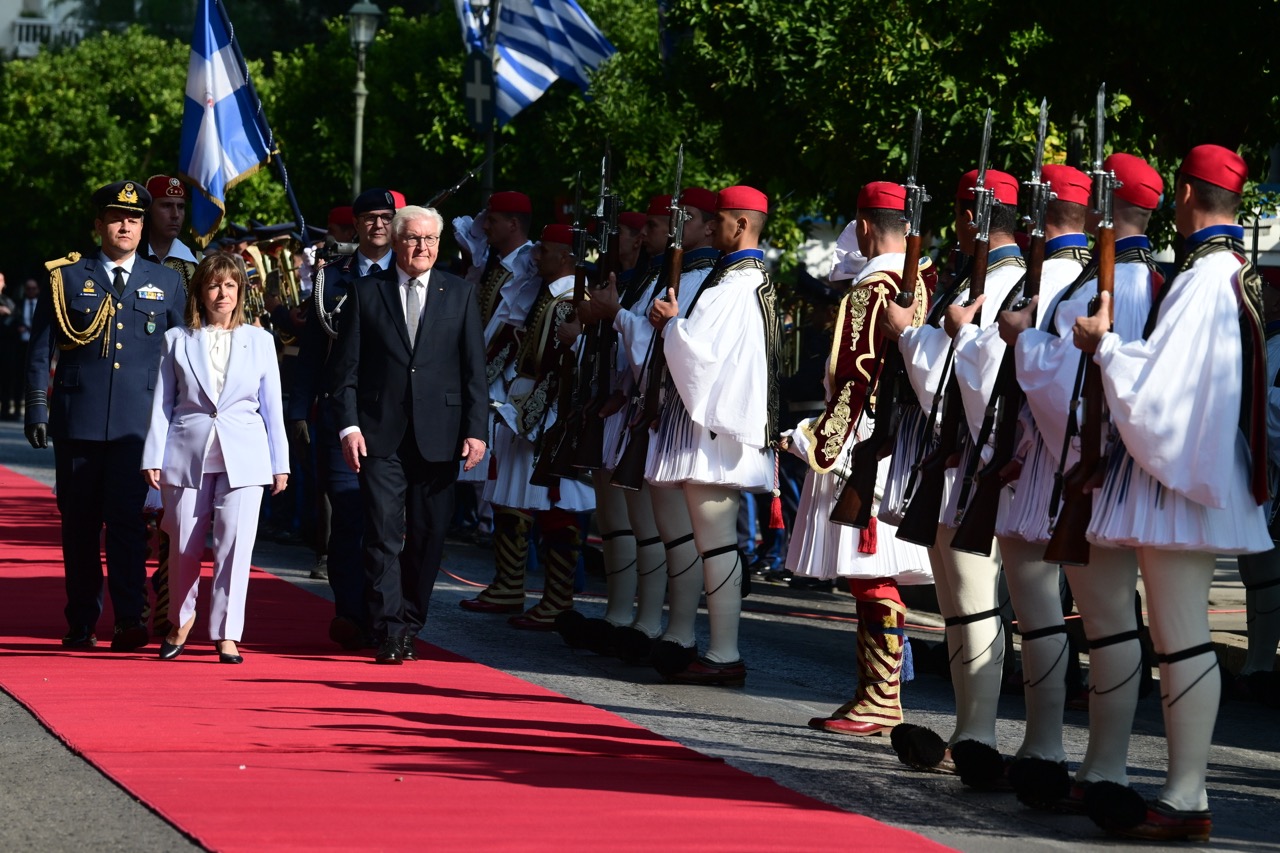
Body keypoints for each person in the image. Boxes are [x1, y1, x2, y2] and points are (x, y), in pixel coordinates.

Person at [1073, 144, 1270, 842]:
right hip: (1193, 468)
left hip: (1183, 476)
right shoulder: (1226, 270)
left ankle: (1187, 794)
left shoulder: (1205, 278)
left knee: (1181, 636)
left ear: (1185, 195)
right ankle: (1182, 790)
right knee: (1176, 634)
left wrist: (1104, 345)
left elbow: (1162, 388)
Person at [998, 152, 1160, 810]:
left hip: (1094, 463)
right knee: (1103, 619)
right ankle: (1081, 761)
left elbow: (1072, 378)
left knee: (1110, 620)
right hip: (1080, 458)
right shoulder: (1127, 276)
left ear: (1105, 206)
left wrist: (1023, 341)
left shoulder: (1124, 281)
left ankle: (1104, 768)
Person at [880, 168, 1024, 772]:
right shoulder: (983, 276)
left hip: (972, 461)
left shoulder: (1005, 281)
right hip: (951, 463)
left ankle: (978, 736)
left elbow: (963, 378)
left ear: (971, 218)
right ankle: (969, 730)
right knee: (959, 606)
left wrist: (907, 336)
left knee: (974, 601)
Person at [789, 182, 934, 735]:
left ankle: (881, 697)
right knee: (871, 576)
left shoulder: (870, 291)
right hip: (904, 442)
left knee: (870, 574)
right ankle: (876, 693)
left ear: (866, 227)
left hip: (866, 444)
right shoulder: (927, 282)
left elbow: (853, 382)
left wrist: (813, 440)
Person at [25, 180, 185, 651]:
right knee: (79, 527)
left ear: (143, 226)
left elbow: (182, 356)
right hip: (79, 420)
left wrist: (181, 420)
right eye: (117, 218)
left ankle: (129, 619)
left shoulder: (167, 282)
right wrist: (37, 404)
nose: (126, 226)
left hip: (138, 425)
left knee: (128, 525)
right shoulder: (67, 277)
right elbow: (41, 348)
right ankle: (81, 620)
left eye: (134, 219)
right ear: (99, 224)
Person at [329, 205, 488, 664]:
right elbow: (346, 370)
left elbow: (474, 370)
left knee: (428, 534)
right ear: (397, 242)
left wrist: (476, 431)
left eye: (431, 239)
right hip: (380, 435)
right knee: (381, 533)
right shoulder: (366, 291)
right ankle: (390, 629)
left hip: (441, 435)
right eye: (414, 238)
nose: (423, 247)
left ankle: (412, 620)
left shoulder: (460, 293)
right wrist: (349, 426)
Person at [647, 185, 781, 686]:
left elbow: (700, 358)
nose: (711, 227)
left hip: (714, 431)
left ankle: (725, 653)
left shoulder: (734, 286)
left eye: (719, 219)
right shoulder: (746, 281)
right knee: (713, 542)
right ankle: (707, 646)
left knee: (718, 543)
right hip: (717, 427)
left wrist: (670, 325)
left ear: (740, 225)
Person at [141, 254, 290, 663]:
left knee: (235, 546)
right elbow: (162, 404)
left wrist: (280, 463)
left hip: (245, 454)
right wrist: (152, 456)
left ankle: (227, 633)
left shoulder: (260, 340)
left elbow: (272, 407)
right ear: (200, 292)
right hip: (186, 453)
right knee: (183, 545)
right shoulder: (176, 339)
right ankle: (180, 619)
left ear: (240, 290)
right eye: (213, 285)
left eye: (229, 285)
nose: (222, 293)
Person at [290, 188, 403, 649]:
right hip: (340, 413)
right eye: (369, 217)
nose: (378, 225)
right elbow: (313, 351)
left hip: (394, 416)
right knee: (346, 516)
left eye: (385, 217)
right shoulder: (331, 278)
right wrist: (298, 411)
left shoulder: (410, 273)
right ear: (354, 226)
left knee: (387, 522)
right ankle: (351, 613)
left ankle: (385, 616)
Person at [471, 224, 596, 629]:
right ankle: (509, 585)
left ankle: (558, 600)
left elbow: (560, 368)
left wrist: (532, 415)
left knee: (555, 506)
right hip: (525, 401)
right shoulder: (546, 292)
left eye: (544, 250)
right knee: (510, 498)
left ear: (565, 257)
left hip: (547, 412)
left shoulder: (570, 299)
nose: (536, 256)